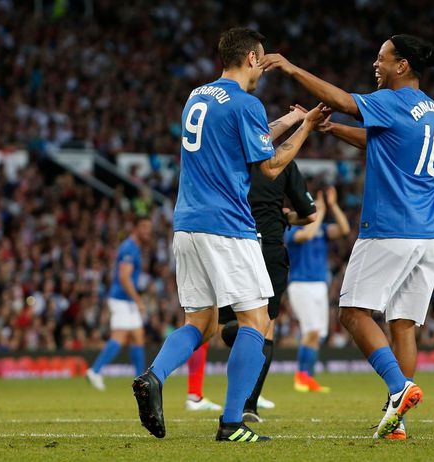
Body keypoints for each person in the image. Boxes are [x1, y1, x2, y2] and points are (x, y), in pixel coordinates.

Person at [131, 27, 326, 442]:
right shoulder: (247, 103)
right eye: (263, 62)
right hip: (229, 227)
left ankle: (153, 376)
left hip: (187, 225)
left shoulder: (197, 96)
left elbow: (239, 140)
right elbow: (270, 167)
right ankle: (232, 422)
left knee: (200, 323)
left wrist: (289, 120)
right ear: (254, 58)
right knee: (257, 320)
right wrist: (306, 127)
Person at [258, 34, 434, 439]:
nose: (375, 65)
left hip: (391, 228)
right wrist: (332, 129)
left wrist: (291, 68)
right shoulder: (429, 108)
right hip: (431, 232)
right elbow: (380, 141)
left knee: (352, 312)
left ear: (402, 66)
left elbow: (345, 100)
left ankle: (399, 389)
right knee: (403, 324)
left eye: (382, 59)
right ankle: (398, 421)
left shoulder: (392, 100)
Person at [187, 153, 317, 421]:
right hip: (268, 247)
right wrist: (286, 218)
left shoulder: (231, 159)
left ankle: (215, 382)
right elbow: (309, 215)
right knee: (264, 328)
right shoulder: (285, 163)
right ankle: (248, 405)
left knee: (221, 328)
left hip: (231, 247)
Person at [286, 186, 350, 393]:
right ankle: (301, 376)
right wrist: (320, 211)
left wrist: (332, 206)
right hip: (301, 284)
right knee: (311, 330)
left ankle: (308, 377)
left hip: (319, 285)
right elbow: (307, 234)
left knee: (318, 334)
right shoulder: (293, 229)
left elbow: (344, 229)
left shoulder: (322, 229)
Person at [86, 216, 153, 391]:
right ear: (136, 228)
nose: (147, 231)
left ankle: (140, 380)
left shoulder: (135, 247)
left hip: (126, 300)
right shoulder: (129, 248)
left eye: (149, 228)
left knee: (138, 336)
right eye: (144, 227)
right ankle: (95, 370)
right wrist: (138, 299)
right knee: (120, 336)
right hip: (121, 299)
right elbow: (124, 277)